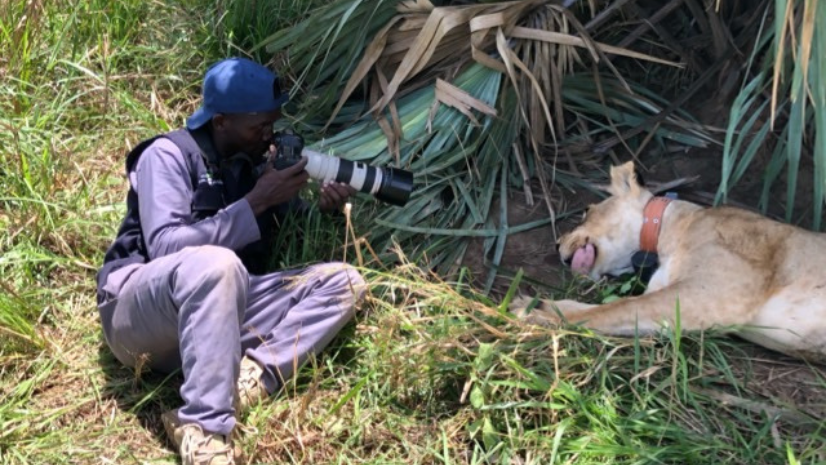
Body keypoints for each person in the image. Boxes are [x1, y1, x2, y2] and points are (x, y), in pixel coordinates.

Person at [95, 57, 365, 465]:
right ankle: (205, 431)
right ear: (221, 122)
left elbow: (287, 224)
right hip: (140, 317)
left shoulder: (256, 162)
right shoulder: (166, 155)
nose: (269, 135)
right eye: (259, 127)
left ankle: (243, 382)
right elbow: (168, 247)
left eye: (273, 124)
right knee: (217, 265)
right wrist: (257, 199)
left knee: (344, 282)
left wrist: (323, 209)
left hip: (219, 316)